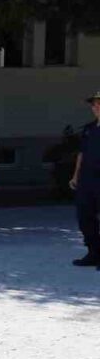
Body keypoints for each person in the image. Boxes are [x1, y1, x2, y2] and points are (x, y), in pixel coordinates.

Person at [69, 90, 100, 267]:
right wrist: (75, 176)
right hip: (87, 179)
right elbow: (82, 153)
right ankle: (93, 252)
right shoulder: (89, 128)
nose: (95, 107)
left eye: (99, 104)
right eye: (94, 104)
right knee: (85, 217)